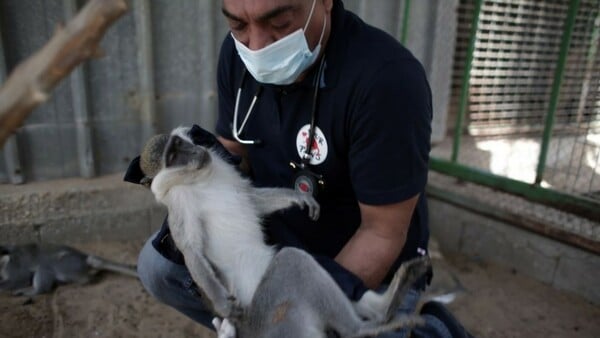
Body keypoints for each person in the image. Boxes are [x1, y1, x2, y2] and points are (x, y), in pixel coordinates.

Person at [133, 0, 471, 337]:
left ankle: (423, 331)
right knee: (160, 266)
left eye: (279, 23)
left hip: (362, 258)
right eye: (238, 26)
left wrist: (298, 310)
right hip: (277, 245)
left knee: (299, 323)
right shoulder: (238, 55)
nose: (257, 46)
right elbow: (234, 157)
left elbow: (381, 233)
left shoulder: (387, 80)